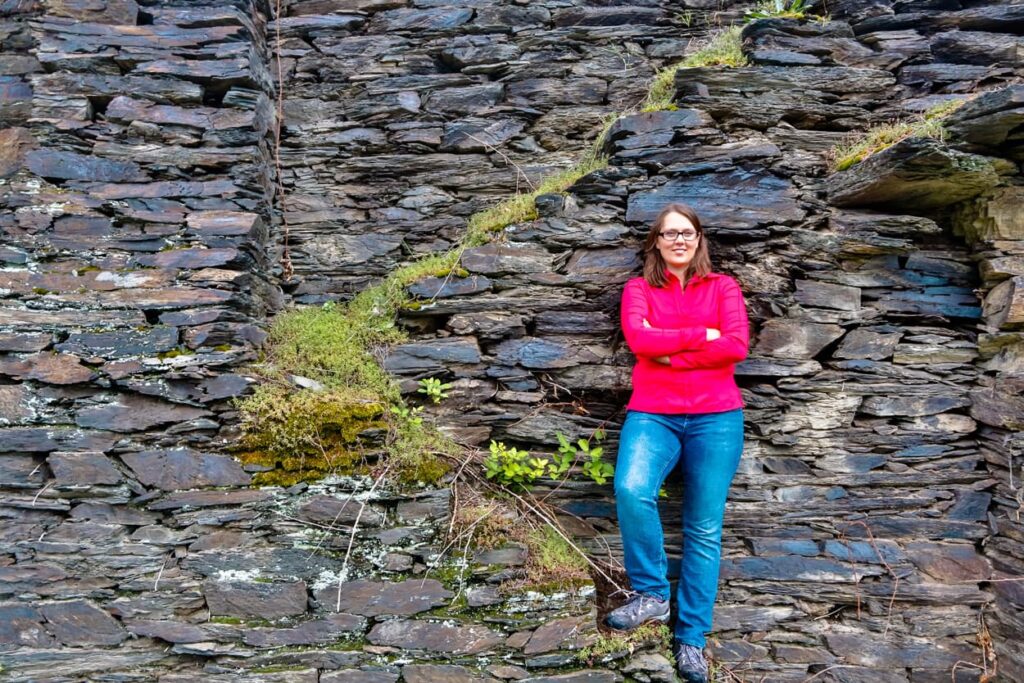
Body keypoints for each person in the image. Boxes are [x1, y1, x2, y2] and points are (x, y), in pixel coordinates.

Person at [605, 202, 749, 683]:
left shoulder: (723, 287)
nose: (679, 240)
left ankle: (691, 640)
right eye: (669, 234)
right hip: (653, 414)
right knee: (631, 488)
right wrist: (697, 337)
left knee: (703, 529)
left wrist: (672, 353)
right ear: (657, 242)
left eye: (687, 233)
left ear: (699, 238)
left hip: (717, 418)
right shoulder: (638, 288)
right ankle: (651, 595)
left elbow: (735, 346)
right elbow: (639, 342)